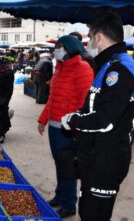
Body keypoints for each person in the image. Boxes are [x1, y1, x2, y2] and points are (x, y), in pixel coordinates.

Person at [61, 12, 134, 221]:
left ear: (99, 37)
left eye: (90, 37)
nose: (89, 43)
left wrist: (72, 120)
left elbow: (105, 121)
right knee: (87, 210)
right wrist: (79, 114)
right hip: (95, 156)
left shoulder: (120, 71)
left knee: (94, 215)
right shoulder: (109, 65)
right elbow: (95, 104)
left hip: (106, 160)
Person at [38, 35, 94, 218]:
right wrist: (43, 119)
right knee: (59, 164)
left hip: (68, 129)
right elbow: (52, 98)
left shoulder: (82, 69)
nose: (57, 50)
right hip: (54, 127)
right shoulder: (59, 69)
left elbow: (84, 103)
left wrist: (77, 130)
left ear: (69, 49)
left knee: (68, 167)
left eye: (60, 47)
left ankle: (69, 205)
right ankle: (60, 196)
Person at [0, 56, 15, 143]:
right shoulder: (4, 72)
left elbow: (8, 89)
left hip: (2, 99)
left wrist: (2, 100)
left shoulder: (7, 73)